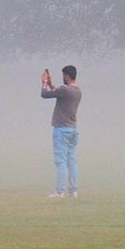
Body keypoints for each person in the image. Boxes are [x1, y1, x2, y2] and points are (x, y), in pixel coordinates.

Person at [40, 65, 82, 198]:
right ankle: (73, 191)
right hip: (72, 130)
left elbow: (44, 94)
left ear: (67, 76)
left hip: (61, 130)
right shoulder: (77, 91)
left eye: (63, 75)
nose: (62, 78)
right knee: (72, 161)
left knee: (61, 161)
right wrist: (52, 85)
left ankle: (59, 191)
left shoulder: (65, 89)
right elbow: (58, 92)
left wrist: (44, 82)